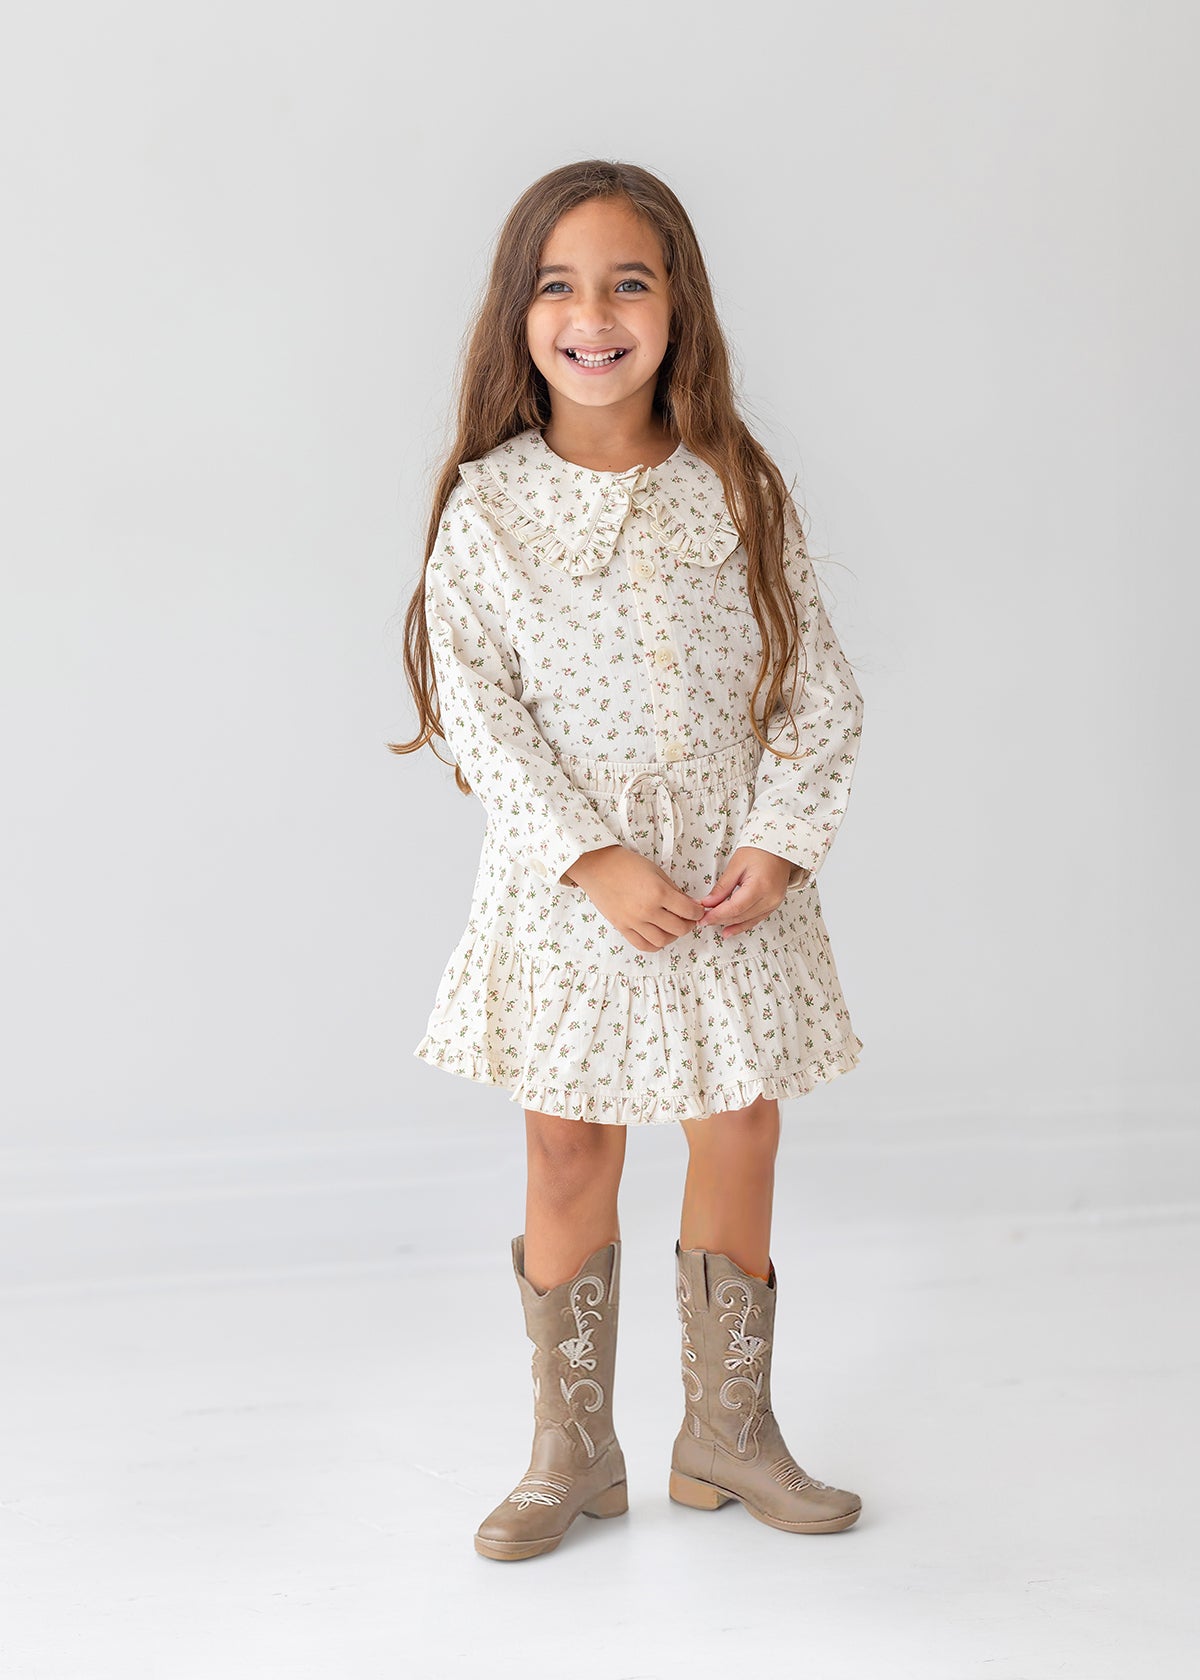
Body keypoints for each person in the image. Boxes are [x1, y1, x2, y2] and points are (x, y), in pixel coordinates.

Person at [390, 159, 867, 1561]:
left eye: (627, 283)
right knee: (566, 1142)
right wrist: (590, 858)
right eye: (559, 286)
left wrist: (779, 844)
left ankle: (727, 1434)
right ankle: (572, 1450)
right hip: (569, 895)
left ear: (678, 307)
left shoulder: (737, 487)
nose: (593, 315)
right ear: (519, 314)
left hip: (727, 890)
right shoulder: (489, 508)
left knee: (741, 1126)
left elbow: (816, 687)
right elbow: (478, 709)